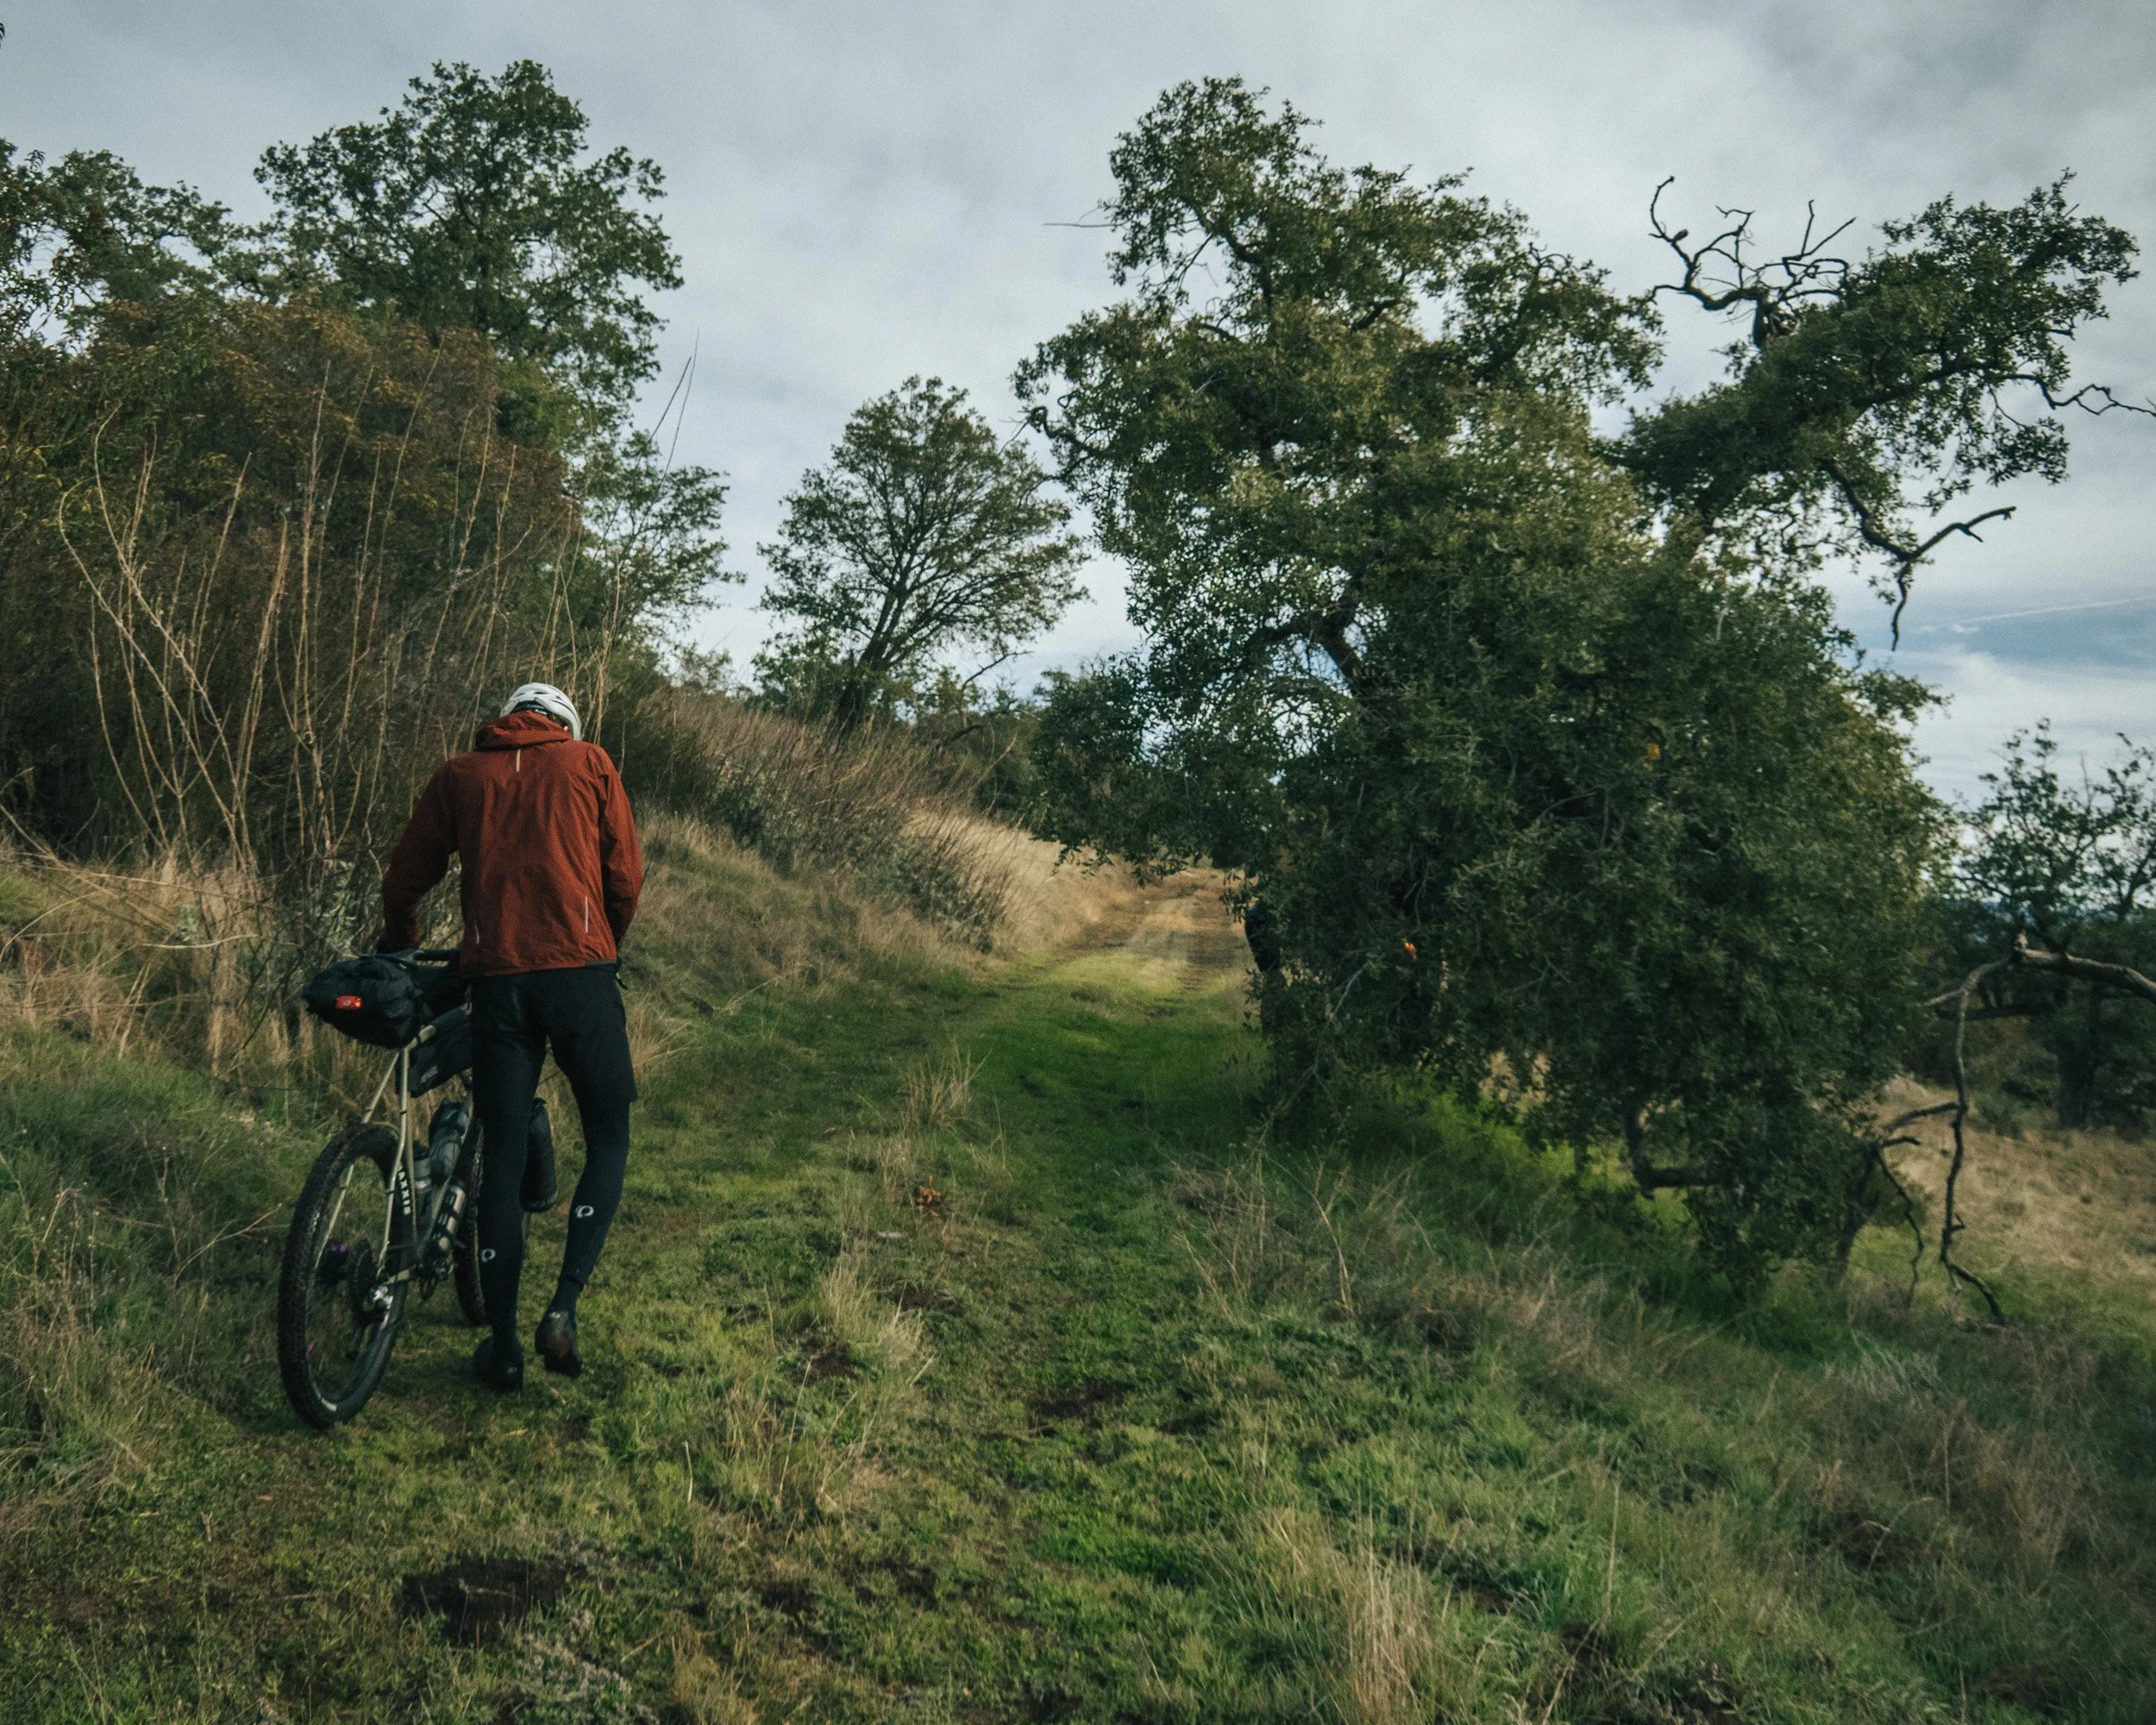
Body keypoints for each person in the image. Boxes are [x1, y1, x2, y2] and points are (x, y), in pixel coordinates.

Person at [380, 682, 643, 1391]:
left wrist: (399, 944)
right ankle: (561, 1309)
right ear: (564, 725)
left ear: (509, 719)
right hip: (580, 975)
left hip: (496, 980)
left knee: (499, 1159)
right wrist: (600, 949)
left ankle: (502, 1349)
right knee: (609, 1132)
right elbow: (625, 877)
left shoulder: (460, 775)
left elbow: (406, 878)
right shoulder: (591, 763)